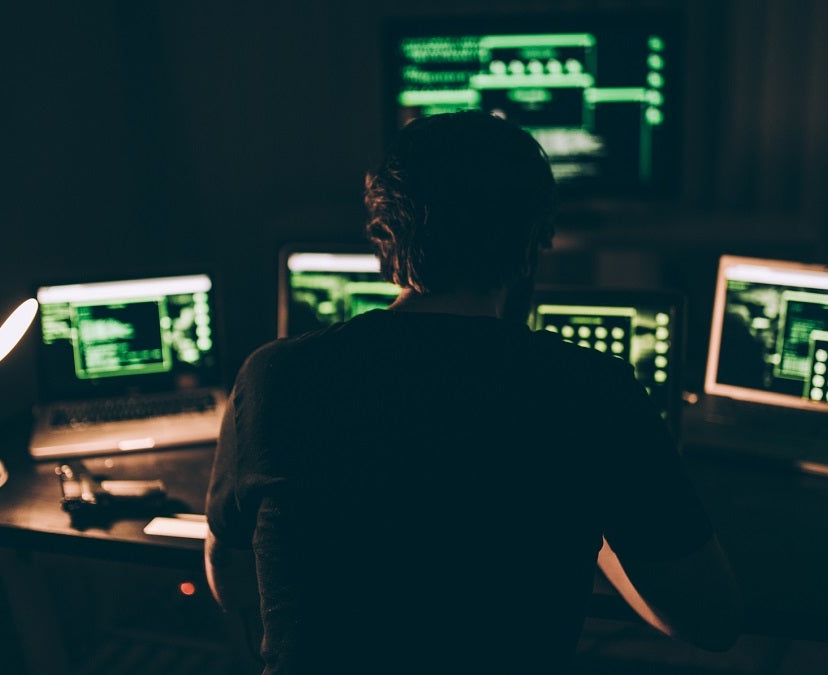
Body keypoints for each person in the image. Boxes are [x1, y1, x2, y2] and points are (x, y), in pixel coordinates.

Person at [206, 111, 741, 674]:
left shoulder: (273, 376)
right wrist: (600, 514)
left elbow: (234, 581)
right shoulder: (593, 391)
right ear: (535, 244)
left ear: (381, 239)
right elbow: (711, 622)